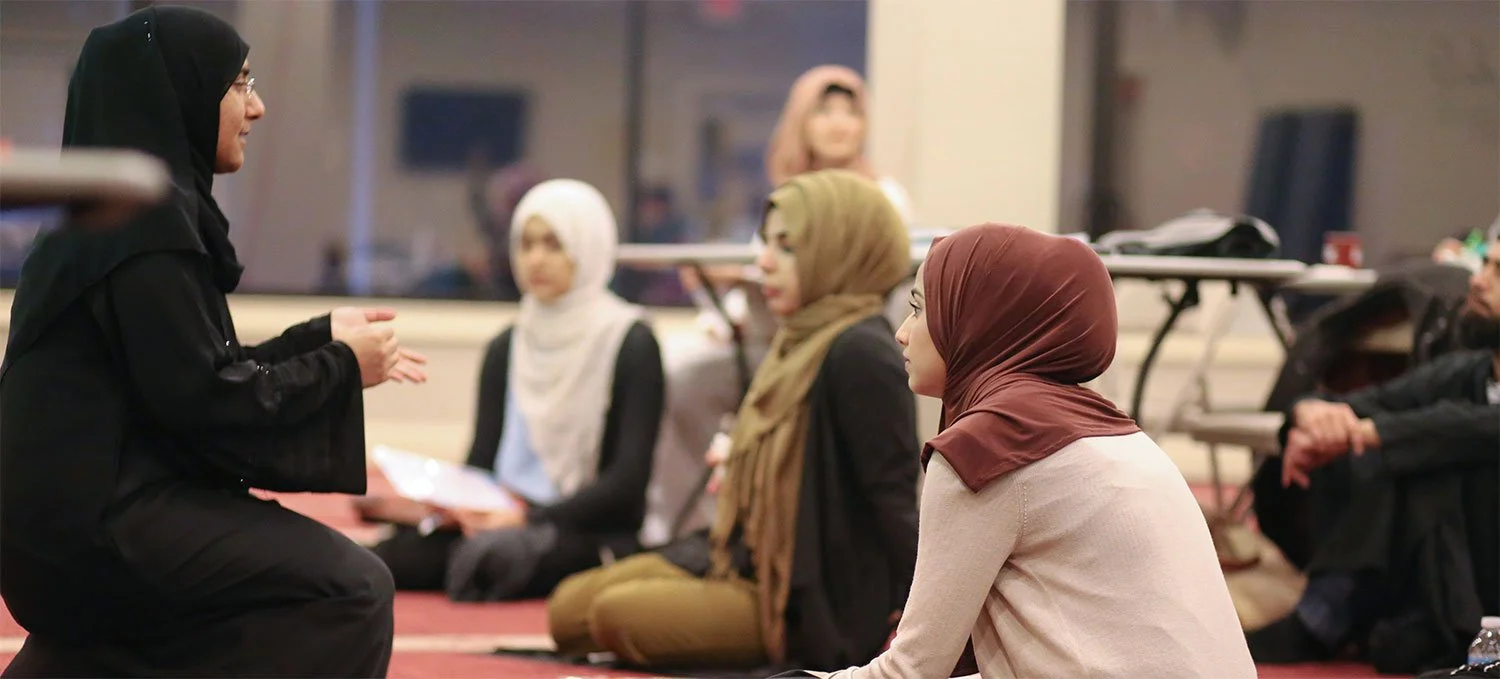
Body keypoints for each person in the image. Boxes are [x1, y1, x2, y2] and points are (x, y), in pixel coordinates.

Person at [0, 6, 425, 676]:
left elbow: (190, 372)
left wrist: (321, 338)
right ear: (181, 92)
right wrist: (339, 366)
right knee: (350, 589)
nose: (256, 108)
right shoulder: (142, 228)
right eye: (239, 84)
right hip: (95, 534)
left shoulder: (109, 223)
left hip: (55, 533)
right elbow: (207, 401)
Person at [799, 224, 1254, 679]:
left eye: (919, 310)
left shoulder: (987, 448)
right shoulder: (1115, 431)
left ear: (977, 320)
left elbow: (912, 671)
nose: (901, 333)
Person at [547, 169, 919, 673]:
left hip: (799, 597)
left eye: (787, 248)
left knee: (614, 615)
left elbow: (895, 501)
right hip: (737, 558)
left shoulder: (860, 352)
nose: (763, 262)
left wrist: (920, 624)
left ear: (841, 251)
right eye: (767, 244)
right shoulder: (798, 338)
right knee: (568, 610)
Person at [643, 64, 913, 548]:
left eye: (850, 112)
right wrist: (732, 289)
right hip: (771, 344)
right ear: (801, 121)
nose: (837, 122)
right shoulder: (784, 198)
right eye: (824, 110)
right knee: (680, 379)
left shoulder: (884, 199)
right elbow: (768, 273)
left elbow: (870, 284)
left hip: (844, 350)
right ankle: (693, 531)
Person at [358, 179, 665, 601]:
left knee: (491, 558)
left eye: (554, 244)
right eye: (526, 244)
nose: (535, 259)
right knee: (384, 558)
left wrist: (527, 517)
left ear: (587, 248)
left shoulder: (630, 341)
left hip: (585, 531)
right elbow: (482, 463)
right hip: (505, 518)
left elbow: (626, 485)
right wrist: (452, 507)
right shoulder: (508, 344)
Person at [1248, 235, 1499, 673]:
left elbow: (1477, 426)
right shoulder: (1468, 372)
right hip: (1459, 581)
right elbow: (1373, 403)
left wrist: (1372, 433)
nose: (1478, 282)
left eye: (1499, 274)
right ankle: (1353, 614)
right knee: (1399, 449)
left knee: (1424, 455)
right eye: (1485, 266)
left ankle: (1326, 617)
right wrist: (1316, 415)